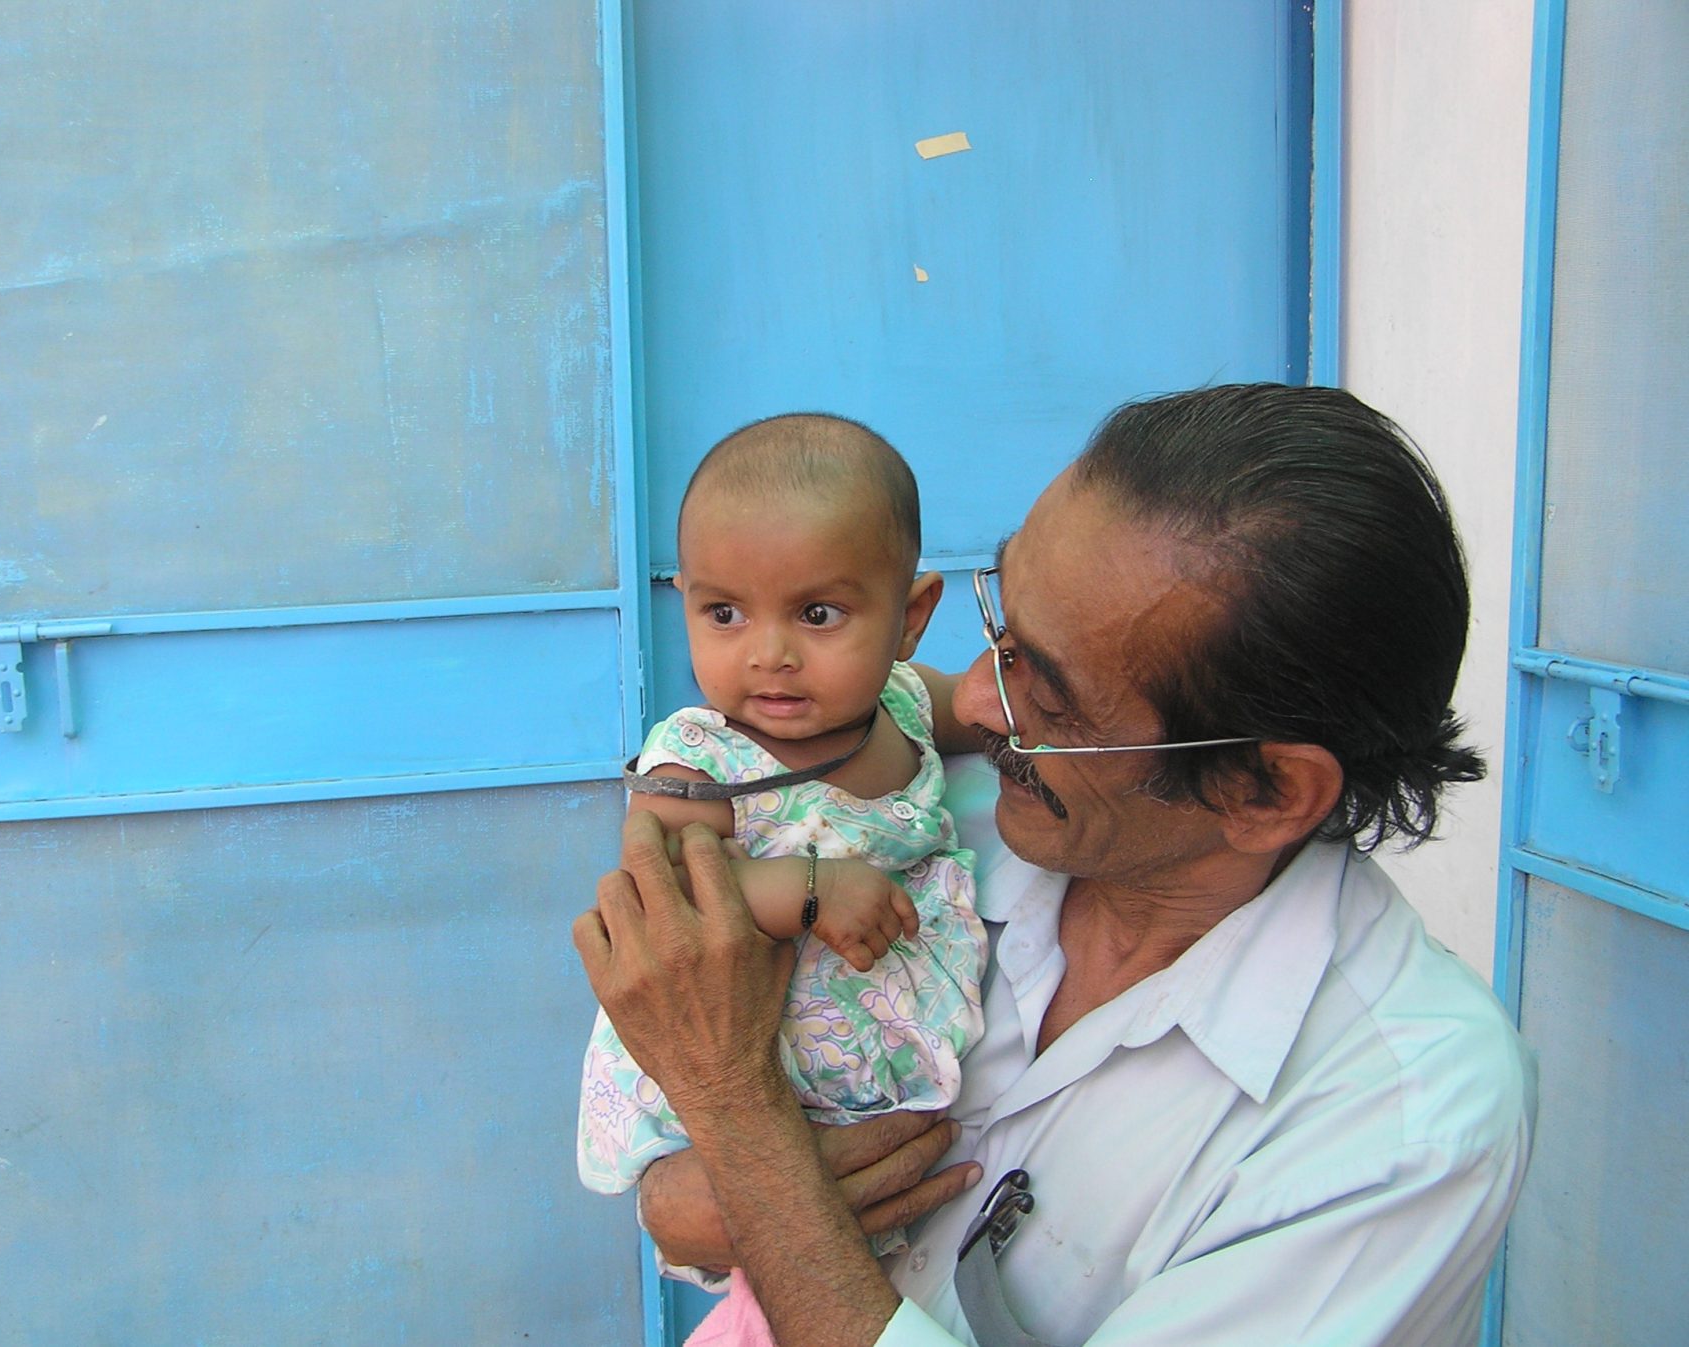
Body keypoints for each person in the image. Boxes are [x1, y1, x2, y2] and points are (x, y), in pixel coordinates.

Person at [575, 383, 1539, 1347]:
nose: (985, 711)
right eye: (1005, 633)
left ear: (1266, 792)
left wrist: (749, 1137)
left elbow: (738, 1101)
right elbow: (685, 1030)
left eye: (1059, 696)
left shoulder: (1398, 1122)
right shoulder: (933, 809)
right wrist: (687, 1196)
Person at [577, 415, 990, 1345]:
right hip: (760, 1057)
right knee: (782, 1278)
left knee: (881, 1257)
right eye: (724, 613)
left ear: (910, 614)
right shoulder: (697, 756)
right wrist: (808, 886)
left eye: (817, 614)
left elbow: (967, 711)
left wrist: (995, 698)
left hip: (879, 1065)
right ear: (684, 600)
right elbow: (671, 905)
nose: (769, 653)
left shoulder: (899, 699)